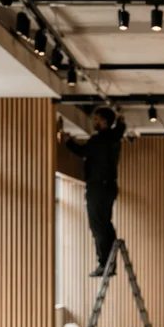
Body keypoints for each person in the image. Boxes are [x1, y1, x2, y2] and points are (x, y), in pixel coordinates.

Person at [62, 107, 126, 276]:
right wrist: (120, 121)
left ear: (104, 121)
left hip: (97, 186)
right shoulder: (114, 137)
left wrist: (68, 142)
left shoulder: (99, 140)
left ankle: (105, 263)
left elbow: (83, 152)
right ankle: (109, 261)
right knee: (105, 223)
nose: (93, 122)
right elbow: (119, 128)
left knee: (98, 225)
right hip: (109, 186)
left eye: (96, 119)